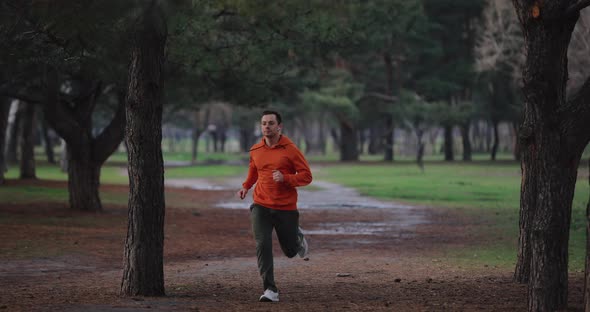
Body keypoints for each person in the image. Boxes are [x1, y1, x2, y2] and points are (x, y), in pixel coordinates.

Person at [237, 110, 312, 302]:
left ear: (279, 126)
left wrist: (286, 178)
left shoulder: (291, 149)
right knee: (262, 244)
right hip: (261, 204)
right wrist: (246, 186)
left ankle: (297, 237)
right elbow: (254, 171)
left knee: (290, 251)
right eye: (263, 123)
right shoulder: (255, 150)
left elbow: (307, 176)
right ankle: (270, 289)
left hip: (285, 207)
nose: (267, 127)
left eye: (271, 123)